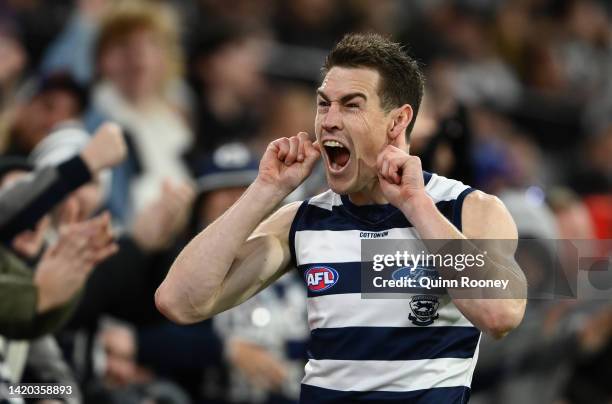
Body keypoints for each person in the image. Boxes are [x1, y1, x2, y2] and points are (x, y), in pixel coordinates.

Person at [157, 33, 527, 403]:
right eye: (323, 104)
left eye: (351, 105)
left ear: (398, 121)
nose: (329, 121)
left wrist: (416, 204)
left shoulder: (468, 209)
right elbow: (180, 302)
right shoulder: (305, 220)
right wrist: (265, 190)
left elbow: (500, 314)